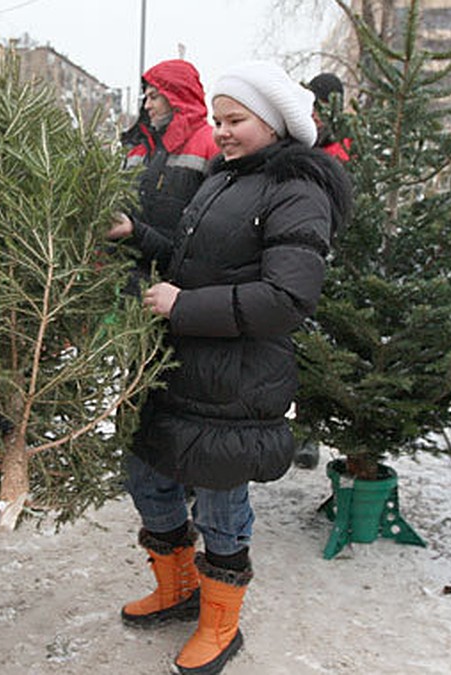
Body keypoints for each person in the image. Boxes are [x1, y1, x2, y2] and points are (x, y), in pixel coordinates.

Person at [118, 61, 353, 675]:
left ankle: (220, 623)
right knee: (149, 478)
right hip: (183, 366)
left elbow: (287, 299)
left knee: (221, 507)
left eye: (235, 120)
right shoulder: (229, 178)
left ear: (273, 123)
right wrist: (140, 235)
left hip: (237, 381)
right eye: (218, 120)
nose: (221, 132)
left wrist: (183, 305)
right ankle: (177, 589)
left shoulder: (296, 190)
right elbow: (198, 258)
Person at [109, 60, 220, 286]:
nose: (147, 106)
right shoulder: (138, 149)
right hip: (127, 279)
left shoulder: (211, 144)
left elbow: (209, 236)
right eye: (146, 98)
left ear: (177, 96)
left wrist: (135, 231)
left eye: (154, 96)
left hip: (178, 288)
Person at [292, 71, 351, 471]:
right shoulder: (300, 148)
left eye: (322, 109)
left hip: (335, 260)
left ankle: (310, 429)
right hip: (302, 255)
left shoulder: (345, 150)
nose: (315, 118)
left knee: (319, 346)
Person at [307, 72, 351, 162]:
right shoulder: (297, 141)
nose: (314, 114)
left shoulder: (346, 148)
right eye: (312, 106)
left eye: (321, 108)